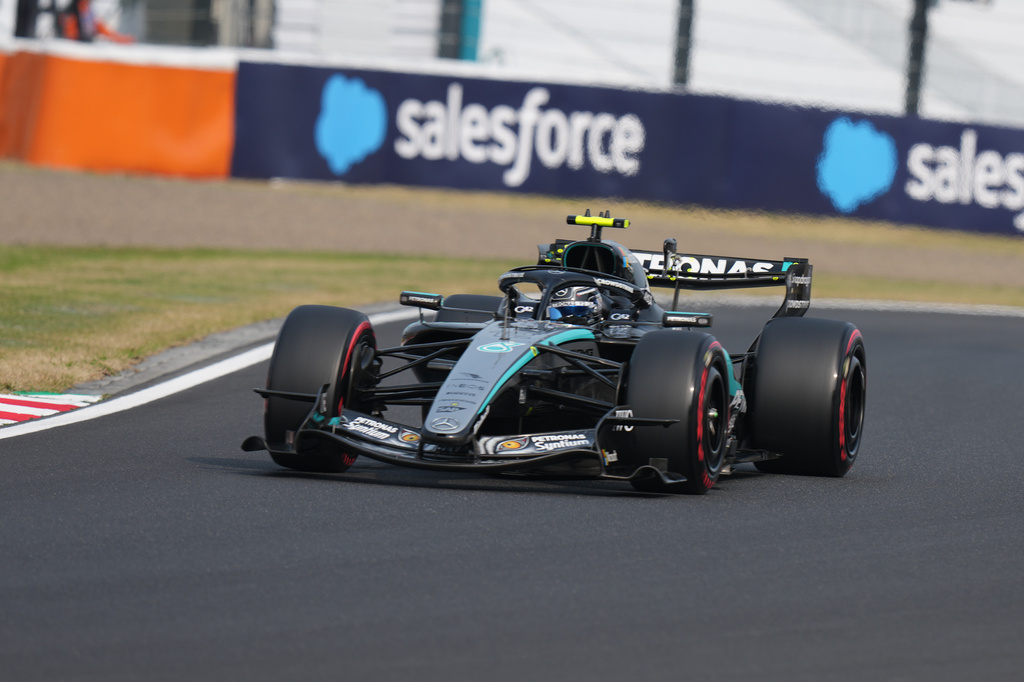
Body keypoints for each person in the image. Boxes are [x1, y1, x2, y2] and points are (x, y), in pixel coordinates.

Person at [60, 0, 134, 43]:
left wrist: (121, 39)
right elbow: (70, 41)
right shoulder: (71, 15)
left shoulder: (89, 14)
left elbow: (104, 30)